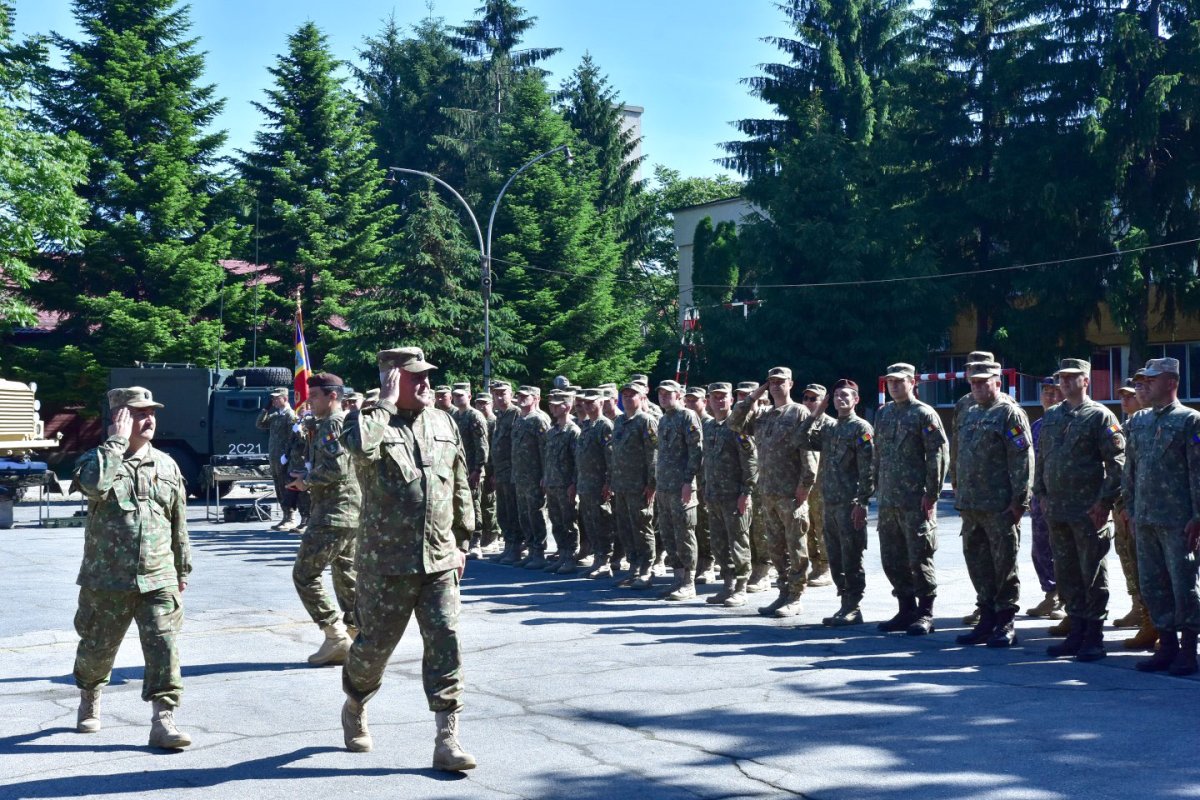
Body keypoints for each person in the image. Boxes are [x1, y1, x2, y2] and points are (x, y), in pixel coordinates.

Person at [339, 347, 476, 770]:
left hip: (438, 560)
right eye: (415, 378)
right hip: (386, 564)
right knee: (373, 649)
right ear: (392, 380)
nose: (426, 385)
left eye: (427, 377)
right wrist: (383, 401)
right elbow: (361, 450)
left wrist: (463, 541)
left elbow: (459, 481)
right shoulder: (366, 422)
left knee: (446, 639)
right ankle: (356, 702)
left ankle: (446, 738)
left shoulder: (442, 420)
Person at [72, 386, 192, 749]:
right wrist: (115, 443)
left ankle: (163, 719)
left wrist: (181, 569)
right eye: (139, 413)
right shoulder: (95, 460)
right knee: (96, 650)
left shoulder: (167, 464)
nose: (149, 419)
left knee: (164, 647)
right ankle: (90, 694)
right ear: (120, 418)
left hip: (158, 575)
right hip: (107, 578)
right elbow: (94, 485)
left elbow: (178, 521)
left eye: (151, 412)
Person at [1035, 358, 1125, 662]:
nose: (1066, 383)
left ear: (1086, 381)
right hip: (1058, 510)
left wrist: (1105, 502)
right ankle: (1075, 631)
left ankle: (1094, 636)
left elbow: (1117, 464)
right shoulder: (1052, 417)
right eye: (1062, 378)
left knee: (1092, 572)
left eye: (1073, 378)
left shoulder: (1100, 416)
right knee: (1067, 572)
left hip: (1089, 512)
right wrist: (1041, 494)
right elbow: (1042, 458)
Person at [1123, 357, 1200, 675]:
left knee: (1183, 586)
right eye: (1145, 380)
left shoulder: (1189, 421)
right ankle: (1165, 646)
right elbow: (1131, 469)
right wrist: (1128, 508)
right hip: (1144, 518)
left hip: (1178, 521)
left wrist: (1198, 516)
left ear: (1171, 383)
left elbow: (1198, 472)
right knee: (1153, 585)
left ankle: (1188, 650)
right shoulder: (1138, 422)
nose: (1147, 385)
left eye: (1153, 380)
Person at [953, 361, 1033, 647]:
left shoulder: (1009, 413)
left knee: (1004, 565)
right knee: (978, 564)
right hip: (971, 505)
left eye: (983, 382)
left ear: (997, 383)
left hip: (999, 505)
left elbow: (1022, 457)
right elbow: (959, 453)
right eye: (973, 382)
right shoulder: (968, 413)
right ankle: (986, 617)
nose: (977, 387)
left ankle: (1005, 621)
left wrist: (1020, 500)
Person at [729, 367, 818, 619]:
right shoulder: (764, 416)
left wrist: (805, 485)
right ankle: (782, 592)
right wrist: (753, 396)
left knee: (795, 546)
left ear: (791, 383)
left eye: (781, 381)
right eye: (772, 382)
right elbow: (734, 423)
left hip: (791, 493)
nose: (776, 385)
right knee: (776, 548)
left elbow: (808, 451)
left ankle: (796, 596)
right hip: (768, 493)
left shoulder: (798, 412)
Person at [287, 373, 362, 666]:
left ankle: (335, 635)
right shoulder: (341, 423)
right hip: (350, 511)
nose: (310, 400)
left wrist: (306, 481)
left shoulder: (333, 423)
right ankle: (358, 637)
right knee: (347, 578)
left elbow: (337, 469)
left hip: (333, 512)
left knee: (305, 574)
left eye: (315, 395)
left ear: (332, 396)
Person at [872, 363, 949, 635]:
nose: (893, 386)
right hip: (889, 500)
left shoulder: (923, 414)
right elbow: (878, 454)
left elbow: (937, 455)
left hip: (915, 500)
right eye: (890, 381)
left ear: (912, 382)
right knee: (892, 557)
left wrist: (932, 493)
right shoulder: (884, 415)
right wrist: (874, 486)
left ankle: (925, 612)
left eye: (899, 381)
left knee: (919, 556)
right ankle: (905, 609)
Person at [800, 379, 875, 626]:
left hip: (849, 503)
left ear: (856, 400)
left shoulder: (860, 428)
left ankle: (854, 606)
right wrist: (818, 411)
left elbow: (868, 470)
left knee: (851, 555)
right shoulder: (830, 428)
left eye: (846, 395)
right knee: (835, 556)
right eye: (836, 396)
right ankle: (844, 603)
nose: (840, 399)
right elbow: (800, 439)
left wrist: (862, 502)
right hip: (829, 503)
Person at [702, 383, 757, 607]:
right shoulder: (710, 427)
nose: (720, 401)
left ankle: (741, 587)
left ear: (731, 400)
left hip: (735, 496)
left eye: (724, 397)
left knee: (738, 543)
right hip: (714, 496)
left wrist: (746, 492)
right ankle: (727, 585)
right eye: (715, 397)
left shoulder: (737, 426)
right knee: (718, 543)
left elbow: (751, 461)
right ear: (708, 400)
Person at [1112, 376, 1157, 649]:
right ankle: (1141, 610)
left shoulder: (1182, 421)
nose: (1129, 398)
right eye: (1126, 394)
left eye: (1135, 391)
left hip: (1163, 512)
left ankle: (1171, 629)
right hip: (1128, 506)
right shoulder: (1127, 426)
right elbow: (1122, 468)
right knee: (1130, 558)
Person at [654, 380, 704, 600]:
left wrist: (688, 481)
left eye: (669, 394)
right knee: (668, 534)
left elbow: (696, 451)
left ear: (679, 395)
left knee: (685, 534)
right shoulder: (664, 419)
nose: (664, 397)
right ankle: (677, 578)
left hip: (681, 486)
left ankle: (689, 582)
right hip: (664, 486)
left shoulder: (687, 416)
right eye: (661, 394)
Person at [606, 379, 659, 589]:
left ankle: (646, 570)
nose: (628, 399)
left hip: (639, 486)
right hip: (621, 485)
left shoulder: (646, 421)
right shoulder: (619, 421)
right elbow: (614, 454)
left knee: (642, 527)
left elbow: (653, 453)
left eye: (632, 395)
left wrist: (652, 483)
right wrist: (611, 481)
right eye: (625, 395)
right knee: (625, 528)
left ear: (642, 397)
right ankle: (633, 567)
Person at [1026, 378, 1065, 620]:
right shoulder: (1037, 426)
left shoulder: (1068, 423)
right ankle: (1050, 594)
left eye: (1056, 393)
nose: (1051, 397)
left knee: (1063, 550)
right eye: (1047, 392)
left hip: (1063, 500)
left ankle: (1064, 599)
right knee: (1040, 549)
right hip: (1039, 501)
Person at [576, 389, 617, 578]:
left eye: (592, 402)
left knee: (602, 522)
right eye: (585, 402)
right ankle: (597, 559)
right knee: (590, 522)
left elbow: (611, 458)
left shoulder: (604, 426)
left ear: (601, 403)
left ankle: (605, 562)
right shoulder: (586, 426)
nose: (587, 406)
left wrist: (609, 482)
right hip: (585, 484)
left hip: (599, 483)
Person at [736, 381, 772, 593]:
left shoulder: (766, 417)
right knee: (745, 528)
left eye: (748, 396)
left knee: (761, 528)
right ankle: (750, 568)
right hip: (743, 482)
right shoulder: (741, 420)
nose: (744, 400)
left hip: (764, 482)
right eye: (740, 397)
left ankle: (764, 570)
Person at [512, 386, 551, 569]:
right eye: (519, 396)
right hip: (520, 476)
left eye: (525, 396)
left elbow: (545, 450)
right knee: (524, 514)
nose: (520, 399)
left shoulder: (539, 420)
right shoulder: (520, 419)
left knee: (536, 514)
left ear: (536, 398)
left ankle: (539, 552)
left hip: (535, 476)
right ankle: (530, 548)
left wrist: (545, 474)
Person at [543, 389, 581, 573]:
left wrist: (574, 483)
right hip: (552, 483)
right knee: (556, 522)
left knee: (569, 523)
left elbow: (577, 461)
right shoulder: (552, 431)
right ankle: (562, 553)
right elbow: (547, 458)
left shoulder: (573, 431)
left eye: (556, 405)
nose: (552, 408)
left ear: (567, 406)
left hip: (566, 485)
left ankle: (570, 557)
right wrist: (545, 477)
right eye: (551, 405)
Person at [451, 383, 490, 559]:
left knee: (474, 505)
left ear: (469, 396)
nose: (458, 398)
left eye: (461, 395)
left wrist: (478, 468)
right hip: (457, 469)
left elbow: (482, 446)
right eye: (455, 395)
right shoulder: (454, 416)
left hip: (472, 469)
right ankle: (460, 540)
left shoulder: (475, 416)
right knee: (459, 505)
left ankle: (476, 542)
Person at [800, 383, 832, 588]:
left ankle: (826, 568)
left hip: (823, 485)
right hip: (803, 485)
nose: (809, 402)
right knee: (807, 527)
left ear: (823, 402)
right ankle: (815, 565)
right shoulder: (801, 423)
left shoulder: (830, 425)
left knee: (823, 528)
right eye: (806, 398)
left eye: (814, 399)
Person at [685, 386, 716, 584]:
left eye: (694, 400)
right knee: (693, 525)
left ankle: (709, 564)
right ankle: (695, 563)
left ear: (704, 401)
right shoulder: (685, 421)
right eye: (687, 400)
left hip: (707, 481)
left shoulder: (709, 423)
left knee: (706, 525)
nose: (690, 404)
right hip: (690, 480)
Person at [258, 387, 301, 531]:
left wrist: (287, 455)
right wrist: (265, 409)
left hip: (284, 458)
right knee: (278, 486)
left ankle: (291, 517)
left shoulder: (290, 415)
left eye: (277, 398)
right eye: (273, 399)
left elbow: (292, 438)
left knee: (286, 486)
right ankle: (284, 516)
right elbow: (259, 424)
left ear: (285, 398)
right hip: (274, 457)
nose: (274, 401)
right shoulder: (276, 415)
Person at [491, 381, 523, 564]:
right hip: (501, 471)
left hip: (512, 471)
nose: (499, 397)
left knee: (512, 511)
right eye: (496, 394)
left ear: (511, 395)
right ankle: (508, 545)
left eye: (503, 393)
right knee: (502, 511)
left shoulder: (515, 413)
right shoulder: (500, 416)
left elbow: (516, 445)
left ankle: (516, 548)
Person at [473, 392, 503, 556]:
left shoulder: (494, 422)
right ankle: (485, 536)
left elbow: (496, 448)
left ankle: (492, 537)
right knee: (481, 503)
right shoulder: (479, 420)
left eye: (485, 403)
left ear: (491, 404)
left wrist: (495, 471)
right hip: (482, 468)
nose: (481, 406)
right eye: (479, 403)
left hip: (491, 467)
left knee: (490, 505)